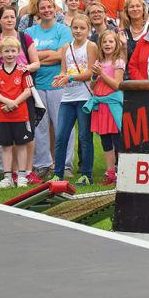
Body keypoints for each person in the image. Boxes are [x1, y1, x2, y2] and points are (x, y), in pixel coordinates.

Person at [24, 0, 73, 179]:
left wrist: (37, 58)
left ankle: (65, 164)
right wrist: (49, 55)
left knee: (62, 126)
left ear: (55, 9)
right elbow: (28, 58)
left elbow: (63, 55)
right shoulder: (30, 31)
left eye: (49, 7)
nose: (46, 10)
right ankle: (42, 164)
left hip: (57, 84)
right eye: (42, 7)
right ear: (37, 11)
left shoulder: (63, 30)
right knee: (40, 127)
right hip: (36, 85)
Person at [51, 14, 97, 184]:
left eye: (82, 28)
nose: (78, 31)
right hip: (68, 97)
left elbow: (91, 72)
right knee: (61, 135)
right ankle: (58, 172)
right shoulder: (66, 47)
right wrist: (60, 77)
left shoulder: (90, 46)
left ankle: (86, 173)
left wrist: (70, 78)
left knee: (85, 136)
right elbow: (64, 70)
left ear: (88, 30)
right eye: (75, 28)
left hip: (84, 96)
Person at [84, 29, 127, 185]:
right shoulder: (98, 63)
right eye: (104, 42)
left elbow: (117, 85)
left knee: (118, 140)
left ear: (116, 44)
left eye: (111, 41)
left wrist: (102, 74)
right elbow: (93, 86)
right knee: (105, 141)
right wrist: (95, 76)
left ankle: (123, 171)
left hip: (113, 105)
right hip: (100, 106)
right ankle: (110, 173)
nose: (107, 44)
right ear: (100, 45)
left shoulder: (118, 62)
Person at [0, 37, 34, 188]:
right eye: (6, 51)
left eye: (13, 51)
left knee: (22, 145)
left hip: (20, 114)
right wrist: (7, 102)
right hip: (2, 116)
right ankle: (7, 177)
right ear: (1, 53)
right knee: (6, 147)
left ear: (18, 52)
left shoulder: (23, 71)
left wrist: (14, 103)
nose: (10, 54)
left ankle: (22, 176)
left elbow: (28, 91)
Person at [119, 0, 149, 64]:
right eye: (131, 7)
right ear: (127, 11)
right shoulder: (123, 33)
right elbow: (122, 63)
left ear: (143, 8)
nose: (135, 9)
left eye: (138, 6)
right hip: (128, 72)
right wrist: (123, 46)